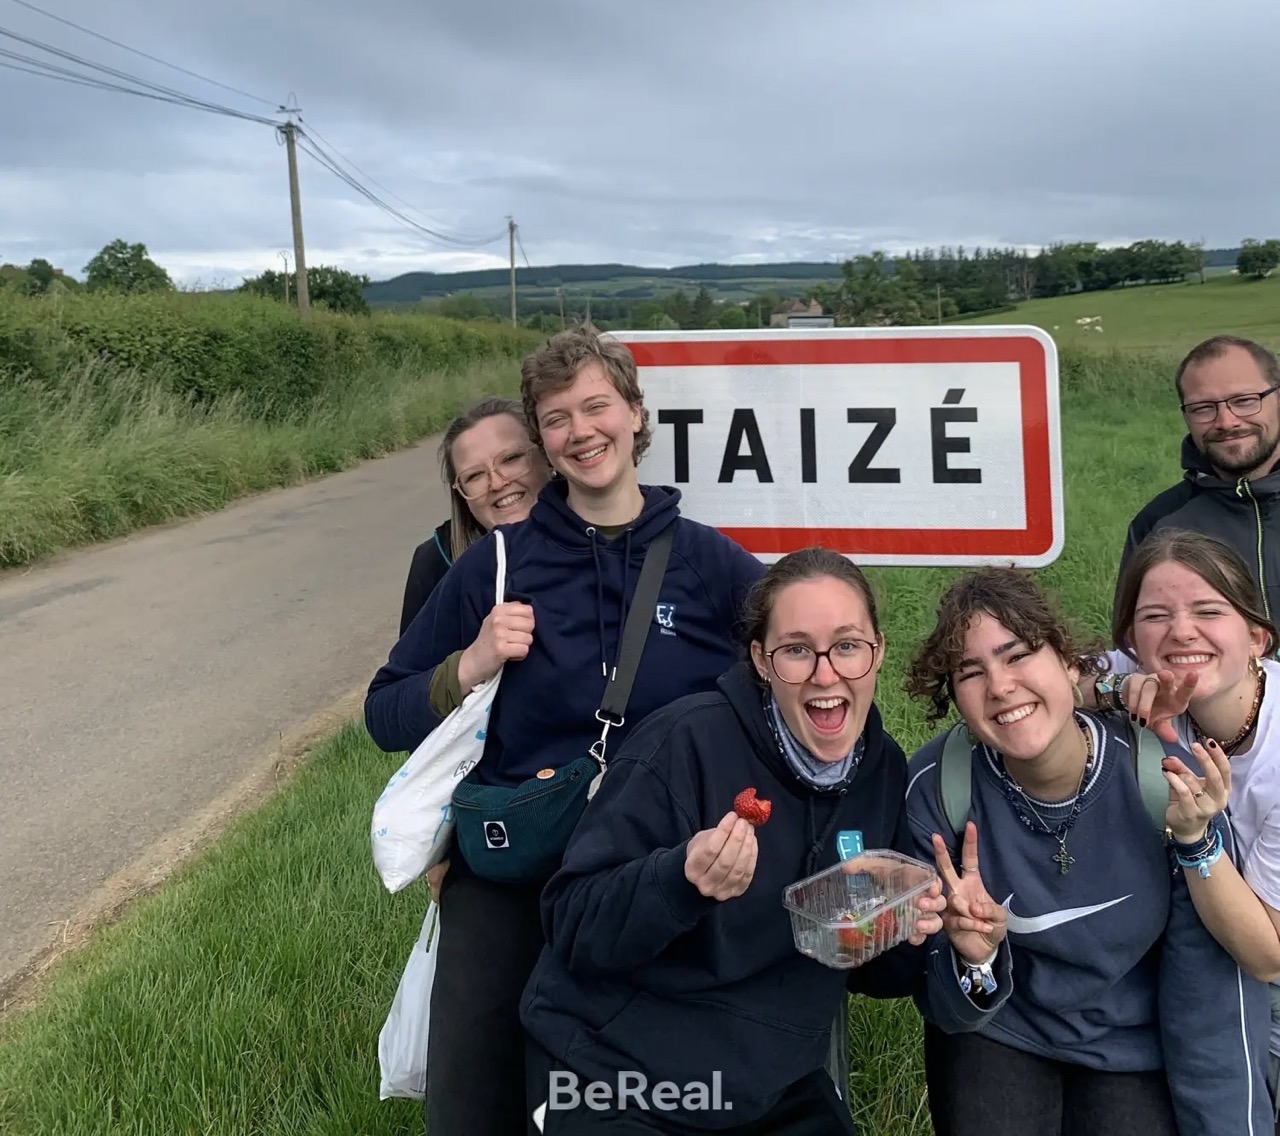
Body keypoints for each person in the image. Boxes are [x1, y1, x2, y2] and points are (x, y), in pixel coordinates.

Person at [364, 326, 766, 1136]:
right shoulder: (495, 565)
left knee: (625, 1103)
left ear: (635, 413)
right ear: (544, 439)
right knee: (475, 1103)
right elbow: (384, 711)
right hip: (516, 867)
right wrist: (471, 662)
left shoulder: (711, 565)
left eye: (596, 407)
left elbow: (796, 681)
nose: (581, 431)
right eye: (556, 418)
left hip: (655, 866)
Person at [520, 547, 1013, 1135]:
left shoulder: (881, 771)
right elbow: (572, 922)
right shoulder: (685, 742)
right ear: (761, 660)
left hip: (768, 1085)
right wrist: (679, 880)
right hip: (616, 1071)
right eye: (797, 650)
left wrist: (919, 928)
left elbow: (865, 968)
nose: (825, 674)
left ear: (877, 651)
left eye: (847, 646)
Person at [902, 565, 1273, 1136]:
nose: (1000, 686)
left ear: (1071, 666)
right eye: (970, 672)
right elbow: (946, 1005)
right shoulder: (938, 786)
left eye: (1018, 655)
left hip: (1131, 1047)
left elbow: (1209, 1004)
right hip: (1003, 1029)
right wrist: (975, 961)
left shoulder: (1168, 785)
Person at [1110, 527, 1280, 1127]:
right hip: (1184, 983)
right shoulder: (1137, 673)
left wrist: (1196, 838)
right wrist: (1114, 687)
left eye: (1209, 612)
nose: (1181, 631)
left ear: (1257, 636)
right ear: (1132, 642)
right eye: (1156, 616)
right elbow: (1053, 677)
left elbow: (1267, 956)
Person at [1113, 334, 1280, 624]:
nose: (1226, 422)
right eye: (1203, 408)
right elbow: (1135, 640)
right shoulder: (1158, 524)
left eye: (1244, 401)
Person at [397, 396, 550, 636]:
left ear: (547, 455)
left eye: (511, 459)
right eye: (475, 475)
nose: (497, 483)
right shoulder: (438, 563)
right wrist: (474, 654)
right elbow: (410, 660)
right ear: (461, 494)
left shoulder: (597, 535)